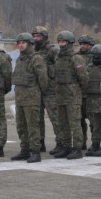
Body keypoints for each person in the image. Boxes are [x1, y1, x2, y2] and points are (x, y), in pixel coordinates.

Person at [12, 32, 49, 163]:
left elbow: (43, 79)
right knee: (21, 126)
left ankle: (35, 152)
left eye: (23, 43)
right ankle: (25, 150)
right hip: (20, 98)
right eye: (19, 43)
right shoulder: (19, 59)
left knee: (33, 126)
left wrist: (36, 93)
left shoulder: (36, 58)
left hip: (32, 98)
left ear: (29, 44)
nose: (21, 45)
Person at [53, 31, 90, 159]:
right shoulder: (57, 57)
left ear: (69, 43)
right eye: (60, 42)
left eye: (63, 42)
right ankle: (67, 146)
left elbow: (84, 78)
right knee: (63, 124)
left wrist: (76, 90)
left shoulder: (76, 58)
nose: (61, 44)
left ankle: (77, 148)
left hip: (72, 96)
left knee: (75, 123)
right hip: (60, 96)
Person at [32, 25, 62, 154]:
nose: (35, 39)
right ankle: (39, 143)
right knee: (37, 118)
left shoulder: (52, 50)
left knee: (55, 118)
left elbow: (60, 68)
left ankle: (61, 143)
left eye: (38, 36)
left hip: (51, 90)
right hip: (37, 89)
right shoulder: (34, 51)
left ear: (44, 37)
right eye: (34, 36)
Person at [85, 44, 101, 157]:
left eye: (97, 56)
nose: (95, 58)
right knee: (95, 126)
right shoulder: (89, 68)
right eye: (93, 56)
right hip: (92, 101)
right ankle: (95, 144)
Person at [78, 35, 96, 149]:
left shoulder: (96, 56)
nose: (83, 46)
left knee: (93, 121)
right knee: (79, 121)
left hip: (91, 94)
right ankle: (82, 142)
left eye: (85, 44)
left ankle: (95, 142)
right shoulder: (77, 57)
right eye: (82, 44)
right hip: (78, 94)